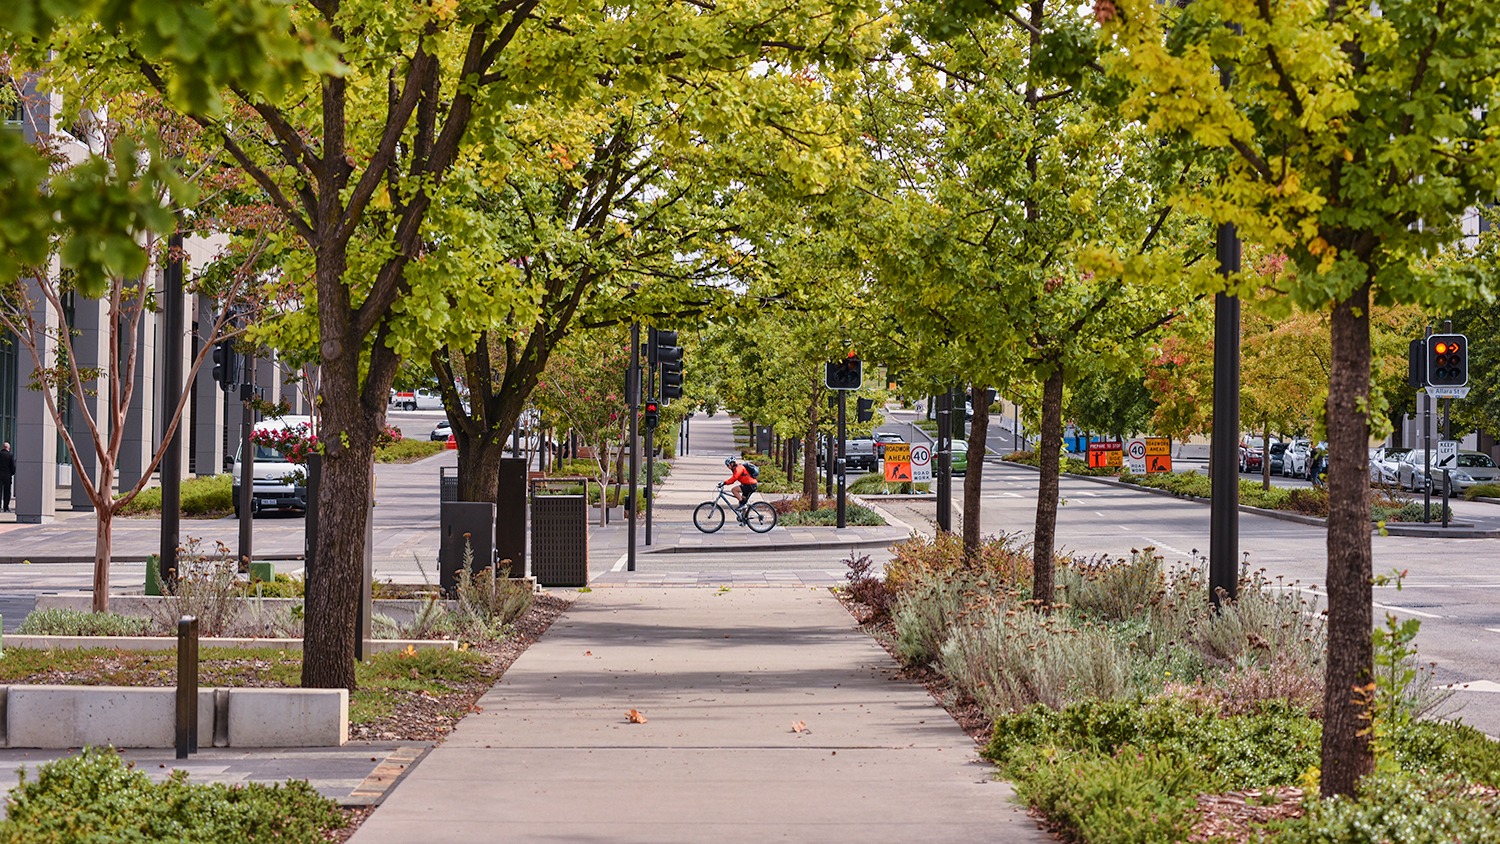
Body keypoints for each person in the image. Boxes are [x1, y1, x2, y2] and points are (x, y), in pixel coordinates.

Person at [0, 442, 14, 512]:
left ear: (2, 447)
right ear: (8, 448)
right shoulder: (10, 455)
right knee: (7, 491)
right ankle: (6, 507)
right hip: (7, 475)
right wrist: (12, 473)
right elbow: (13, 466)